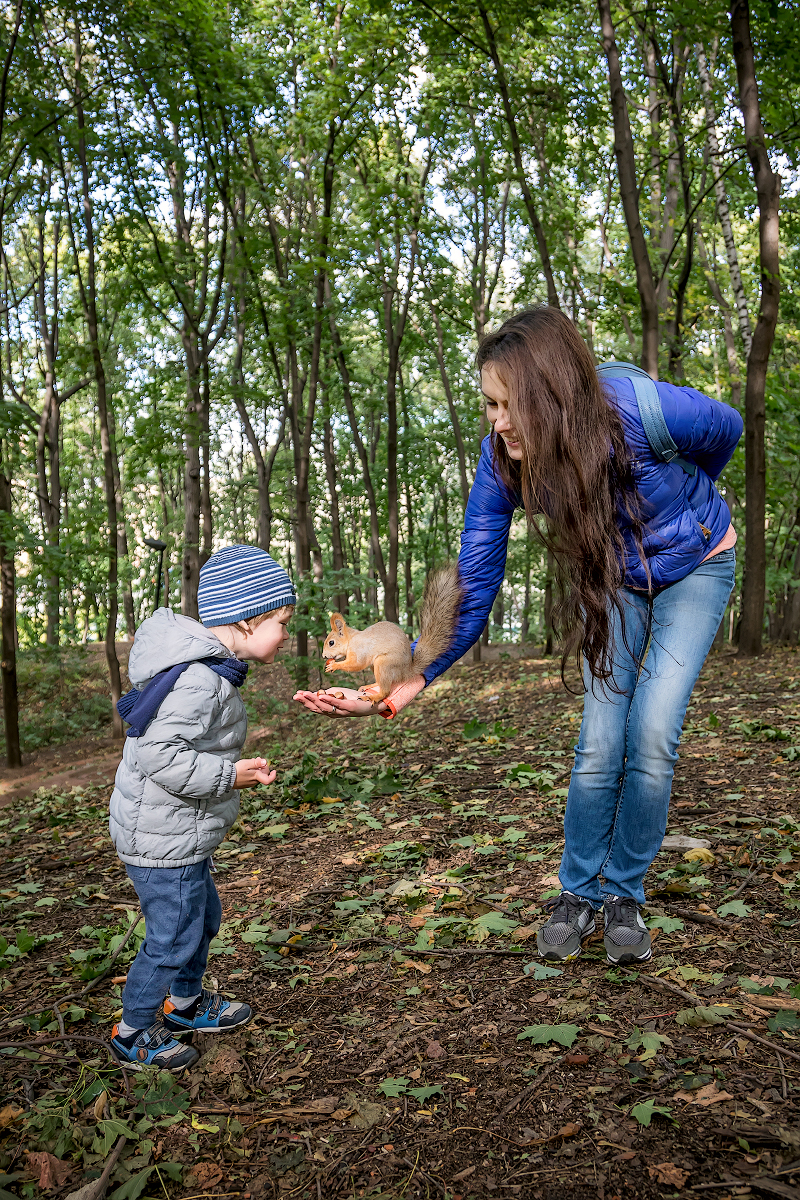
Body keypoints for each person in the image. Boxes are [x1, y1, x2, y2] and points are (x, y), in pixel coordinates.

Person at [294, 307, 742, 967]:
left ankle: (624, 895)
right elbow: (473, 583)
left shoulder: (642, 410)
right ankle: (578, 893)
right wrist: (402, 684)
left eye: (512, 405)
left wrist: (691, 505)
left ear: (555, 398)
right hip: (613, 577)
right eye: (490, 404)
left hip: (698, 565)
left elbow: (726, 430)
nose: (499, 422)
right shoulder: (502, 463)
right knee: (601, 740)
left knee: (651, 732)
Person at [109, 544, 295, 1071]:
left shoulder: (209, 670)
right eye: (281, 622)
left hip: (176, 831)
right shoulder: (199, 678)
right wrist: (229, 775)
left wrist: (231, 770)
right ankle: (133, 1031)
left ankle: (185, 1004)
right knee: (172, 935)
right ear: (248, 618)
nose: (286, 633)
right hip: (159, 837)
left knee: (201, 918)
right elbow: (159, 753)